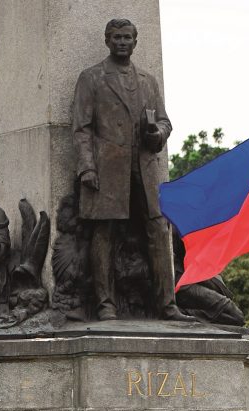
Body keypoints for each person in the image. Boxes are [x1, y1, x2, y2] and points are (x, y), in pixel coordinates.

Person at [72, 18, 188, 322]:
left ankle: (166, 304)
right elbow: (81, 129)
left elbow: (165, 121)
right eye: (117, 37)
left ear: (136, 43)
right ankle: (105, 304)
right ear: (107, 41)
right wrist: (87, 167)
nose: (122, 42)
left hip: (145, 169)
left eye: (127, 38)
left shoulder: (149, 81)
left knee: (157, 230)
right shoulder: (92, 78)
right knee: (104, 233)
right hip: (106, 169)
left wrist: (158, 135)